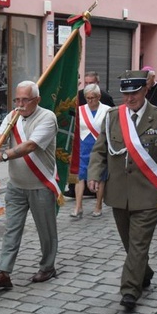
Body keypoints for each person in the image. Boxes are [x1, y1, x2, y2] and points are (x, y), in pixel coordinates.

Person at [88, 70, 157, 312]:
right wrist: (94, 174)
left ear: (144, 91)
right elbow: (100, 150)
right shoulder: (112, 117)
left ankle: (130, 290)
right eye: (125, 94)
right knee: (130, 244)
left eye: (135, 93)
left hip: (149, 194)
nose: (129, 99)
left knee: (138, 244)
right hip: (119, 193)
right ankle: (144, 272)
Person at [0, 81, 60, 288]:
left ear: (37, 100)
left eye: (25, 99)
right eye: (17, 99)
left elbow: (30, 145)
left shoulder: (47, 118)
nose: (20, 103)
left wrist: (3, 155)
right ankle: (4, 271)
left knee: (46, 230)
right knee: (12, 228)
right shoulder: (13, 115)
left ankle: (48, 266)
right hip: (16, 185)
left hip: (40, 184)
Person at [70, 84, 111, 218]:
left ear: (99, 97)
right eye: (87, 98)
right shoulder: (80, 110)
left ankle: (98, 205)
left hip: (99, 147)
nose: (90, 100)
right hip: (82, 147)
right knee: (79, 177)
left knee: (99, 177)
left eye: (92, 98)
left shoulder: (108, 110)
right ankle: (78, 206)